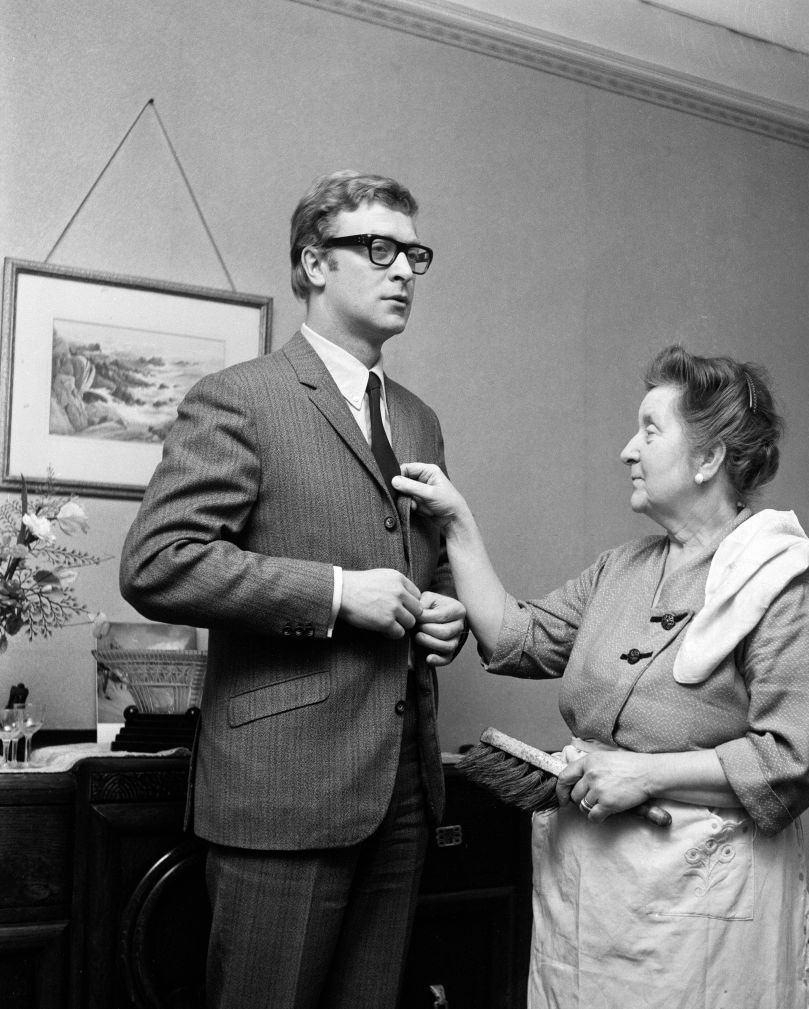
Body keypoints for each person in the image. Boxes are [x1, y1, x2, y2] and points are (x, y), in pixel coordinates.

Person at [395, 345, 809, 1008]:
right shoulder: (623, 567)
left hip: (705, 906)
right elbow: (513, 637)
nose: (626, 450)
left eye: (649, 430)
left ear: (707, 458)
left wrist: (644, 774)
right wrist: (457, 523)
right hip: (592, 896)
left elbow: (800, 754)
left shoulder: (778, 587)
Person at [120, 170, 466, 1009]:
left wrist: (444, 609)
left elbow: (422, 558)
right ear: (313, 262)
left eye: (412, 253)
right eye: (377, 249)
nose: (402, 272)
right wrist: (339, 594)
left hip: (405, 792)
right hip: (283, 793)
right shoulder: (239, 399)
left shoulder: (418, 419)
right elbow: (157, 560)